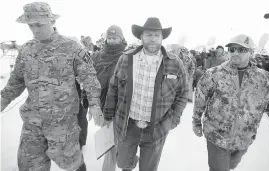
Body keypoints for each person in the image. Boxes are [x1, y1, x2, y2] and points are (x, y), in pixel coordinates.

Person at [0, 2, 102, 171]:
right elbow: (16, 82)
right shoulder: (26, 50)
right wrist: (2, 101)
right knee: (28, 166)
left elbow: (89, 77)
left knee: (73, 165)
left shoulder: (72, 47)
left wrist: (95, 104)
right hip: (32, 124)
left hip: (63, 124)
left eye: (39, 24)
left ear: (51, 21)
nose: (35, 30)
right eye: (31, 25)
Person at [103, 17, 190, 171]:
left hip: (156, 127)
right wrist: (108, 115)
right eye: (148, 35)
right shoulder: (126, 59)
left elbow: (183, 93)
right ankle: (131, 161)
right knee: (122, 163)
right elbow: (113, 87)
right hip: (128, 124)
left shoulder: (175, 63)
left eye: (157, 35)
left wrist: (173, 119)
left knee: (149, 168)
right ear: (141, 37)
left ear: (162, 38)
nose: (153, 39)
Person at [192, 34, 269, 171]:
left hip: (244, 138)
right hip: (217, 136)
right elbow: (200, 98)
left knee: (231, 165)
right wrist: (196, 122)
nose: (235, 53)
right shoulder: (213, 74)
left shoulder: (266, 80)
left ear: (251, 52)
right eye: (232, 49)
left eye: (241, 50)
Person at [86, 25, 127, 171]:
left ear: (121, 38)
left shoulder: (128, 57)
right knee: (109, 145)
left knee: (119, 145)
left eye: (115, 38)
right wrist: (91, 104)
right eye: (109, 38)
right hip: (104, 107)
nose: (112, 40)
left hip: (122, 108)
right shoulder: (97, 56)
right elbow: (89, 80)